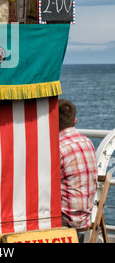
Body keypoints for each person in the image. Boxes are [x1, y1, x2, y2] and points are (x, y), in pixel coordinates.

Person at [59, 99, 98, 235]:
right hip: (86, 219)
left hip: (65, 221)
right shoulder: (88, 142)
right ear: (75, 121)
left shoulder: (58, 147)